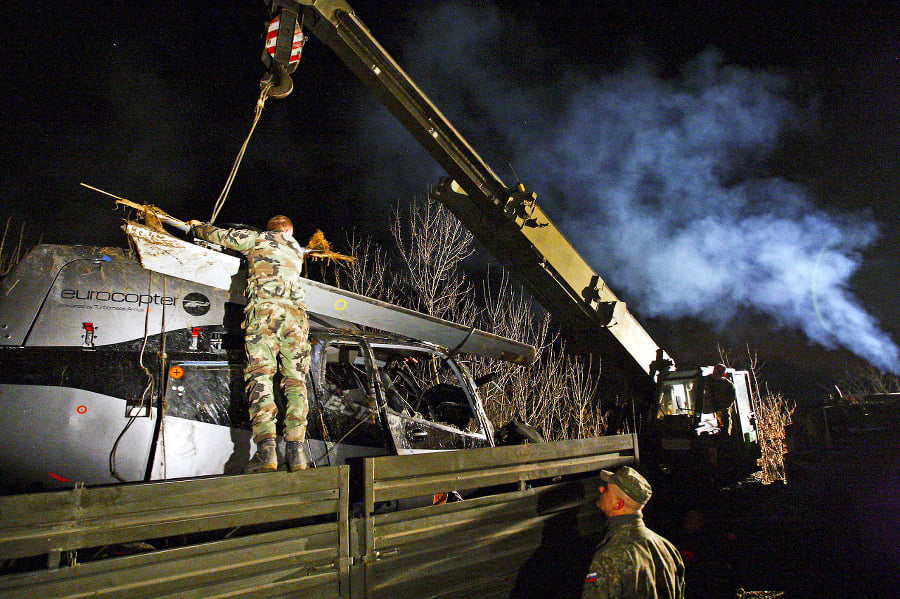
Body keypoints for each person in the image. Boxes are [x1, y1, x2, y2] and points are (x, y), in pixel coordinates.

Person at [188, 215, 311, 472]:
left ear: (270, 229)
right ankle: (296, 450)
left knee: (260, 377)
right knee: (296, 382)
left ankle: (267, 450)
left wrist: (197, 226)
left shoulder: (258, 239)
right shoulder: (296, 249)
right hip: (296, 320)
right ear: (289, 230)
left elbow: (219, 236)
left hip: (265, 316)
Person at [582, 466, 685, 599]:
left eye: (606, 489)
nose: (601, 489)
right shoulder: (668, 548)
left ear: (618, 504)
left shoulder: (608, 556)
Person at [703, 364, 736, 435]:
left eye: (719, 373)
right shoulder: (705, 381)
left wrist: (720, 408)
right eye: (715, 372)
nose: (716, 374)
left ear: (724, 374)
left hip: (722, 411)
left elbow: (730, 400)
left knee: (725, 432)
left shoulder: (728, 385)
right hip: (706, 412)